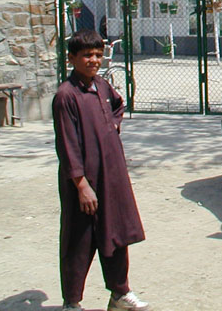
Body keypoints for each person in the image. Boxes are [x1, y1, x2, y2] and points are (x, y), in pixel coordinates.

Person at [52, 29, 149, 311]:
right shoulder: (66, 96)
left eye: (98, 54)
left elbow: (118, 105)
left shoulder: (102, 86)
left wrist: (114, 124)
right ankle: (72, 301)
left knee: (116, 233)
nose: (93, 60)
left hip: (111, 175)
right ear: (72, 58)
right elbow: (67, 145)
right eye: (86, 55)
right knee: (79, 241)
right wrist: (81, 185)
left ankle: (120, 293)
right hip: (83, 181)